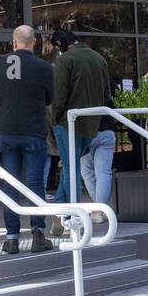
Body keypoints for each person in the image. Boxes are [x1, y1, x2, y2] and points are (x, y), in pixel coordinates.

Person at [0, 25, 55, 255]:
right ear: (33, 42)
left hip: (8, 131)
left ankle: (12, 238)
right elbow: (50, 98)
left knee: (9, 183)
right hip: (33, 130)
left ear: (13, 42)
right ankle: (38, 234)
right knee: (35, 184)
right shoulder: (44, 67)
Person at [49, 28, 112, 235]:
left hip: (68, 123)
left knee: (71, 170)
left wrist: (54, 118)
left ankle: (71, 218)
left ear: (60, 44)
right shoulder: (99, 58)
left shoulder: (65, 60)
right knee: (70, 168)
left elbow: (59, 97)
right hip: (91, 124)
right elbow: (106, 94)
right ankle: (59, 215)